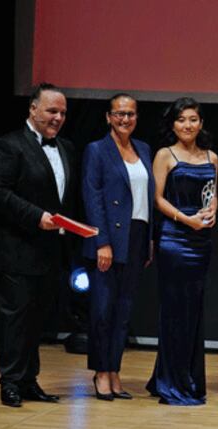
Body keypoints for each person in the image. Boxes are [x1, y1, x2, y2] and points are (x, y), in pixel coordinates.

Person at [0, 83, 77, 407]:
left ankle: (28, 380)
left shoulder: (65, 148)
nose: (58, 117)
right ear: (33, 109)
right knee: (16, 320)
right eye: (52, 110)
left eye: (63, 112)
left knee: (36, 321)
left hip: (49, 254)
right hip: (17, 251)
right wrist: (36, 216)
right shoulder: (8, 146)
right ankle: (9, 381)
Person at [146, 97, 218, 405]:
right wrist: (184, 218)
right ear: (173, 124)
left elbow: (212, 196)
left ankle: (188, 378)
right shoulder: (165, 155)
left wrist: (212, 212)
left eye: (192, 119)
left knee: (194, 311)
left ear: (201, 123)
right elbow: (157, 198)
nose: (187, 125)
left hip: (201, 241)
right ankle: (170, 382)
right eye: (181, 120)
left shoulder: (211, 157)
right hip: (174, 239)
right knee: (174, 312)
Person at [82, 93, 155, 401]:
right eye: (119, 114)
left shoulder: (144, 149)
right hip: (108, 238)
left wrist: (150, 238)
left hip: (137, 236)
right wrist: (102, 242)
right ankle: (100, 372)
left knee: (123, 311)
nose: (126, 119)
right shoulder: (97, 150)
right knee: (103, 309)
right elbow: (93, 196)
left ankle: (114, 370)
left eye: (131, 114)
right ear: (108, 117)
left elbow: (146, 199)